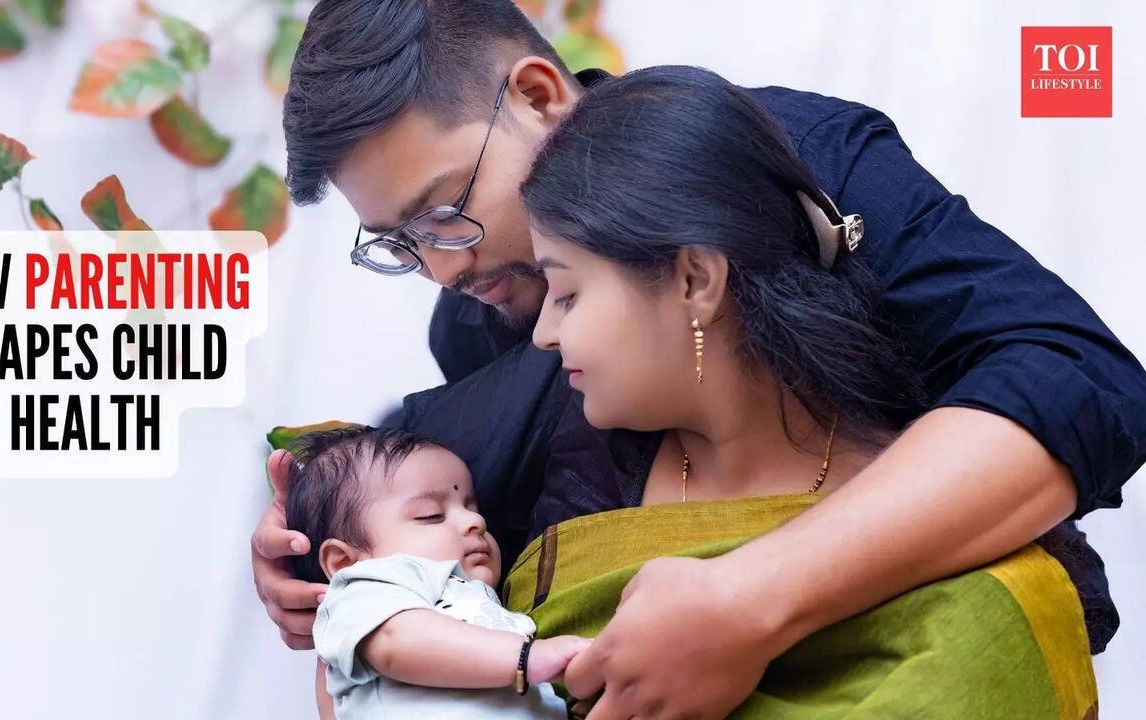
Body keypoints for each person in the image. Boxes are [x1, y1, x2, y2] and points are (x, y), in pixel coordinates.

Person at [254, 1, 1146, 715]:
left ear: (537, 95)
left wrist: (753, 597)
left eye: (446, 211)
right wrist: (318, 539)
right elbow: (464, 535)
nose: (443, 269)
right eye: (400, 242)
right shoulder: (476, 318)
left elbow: (1075, 377)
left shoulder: (788, 161)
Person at [497, 63, 1096, 718]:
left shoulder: (959, 513)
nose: (543, 335)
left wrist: (747, 602)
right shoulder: (586, 487)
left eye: (567, 292)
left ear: (695, 281)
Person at [286, 425, 587, 719]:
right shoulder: (365, 589)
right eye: (432, 515)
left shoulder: (483, 600)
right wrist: (526, 658)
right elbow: (396, 640)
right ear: (344, 563)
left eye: (473, 508)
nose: (476, 522)